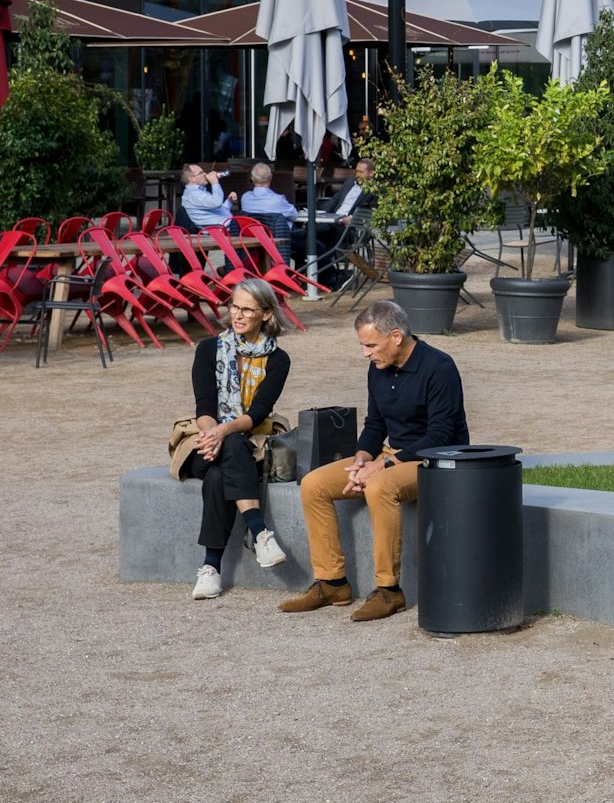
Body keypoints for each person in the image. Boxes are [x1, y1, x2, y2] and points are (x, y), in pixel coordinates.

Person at [280, 299, 468, 622]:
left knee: (379, 487)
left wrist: (382, 466)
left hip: (436, 459)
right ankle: (333, 582)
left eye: (370, 345)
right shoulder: (378, 368)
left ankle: (389, 590)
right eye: (363, 346)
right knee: (314, 484)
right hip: (391, 456)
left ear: (396, 336)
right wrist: (360, 461)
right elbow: (375, 425)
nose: (365, 353)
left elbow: (440, 436)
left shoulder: (440, 368)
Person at [171, 279, 292, 601]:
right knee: (226, 451)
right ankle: (260, 533)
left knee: (218, 474)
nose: (237, 314)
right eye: (234, 306)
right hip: (204, 442)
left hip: (249, 444)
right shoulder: (209, 349)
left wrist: (224, 432)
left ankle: (210, 568)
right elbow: (205, 407)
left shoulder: (278, 360)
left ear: (266, 314)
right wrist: (214, 432)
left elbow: (257, 413)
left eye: (247, 309)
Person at [177, 162, 236, 233]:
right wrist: (215, 183)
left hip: (227, 226)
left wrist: (229, 201)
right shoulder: (193, 195)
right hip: (222, 230)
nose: (205, 174)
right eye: (201, 173)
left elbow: (218, 209)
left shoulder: (199, 192)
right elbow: (216, 203)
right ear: (192, 179)